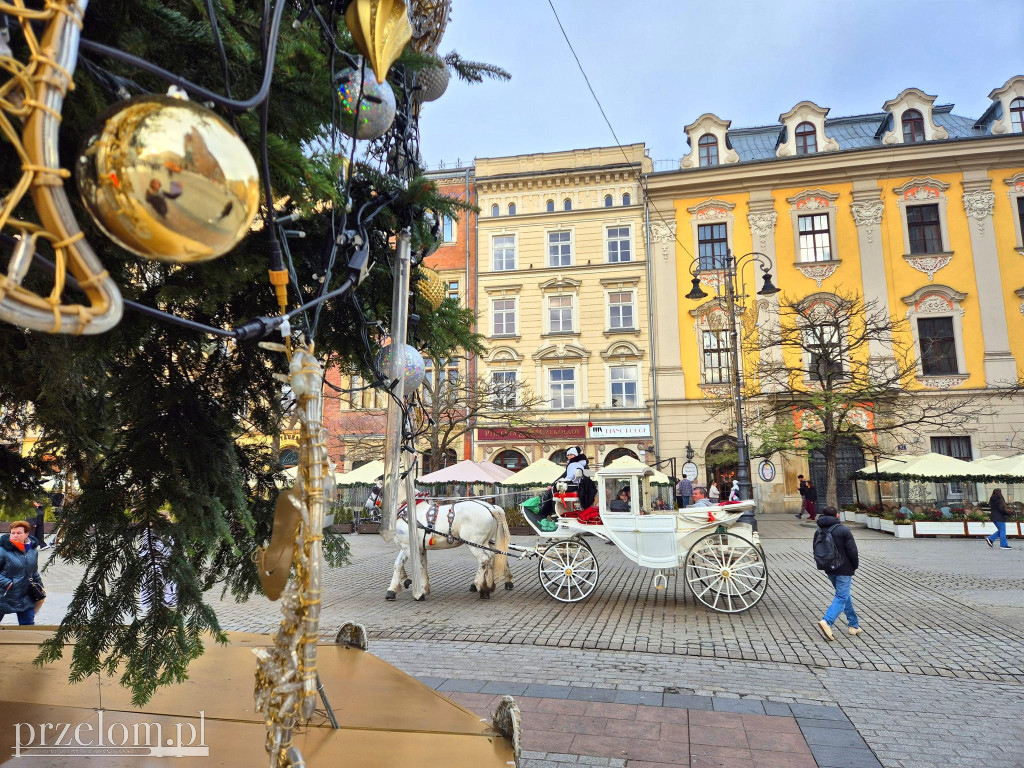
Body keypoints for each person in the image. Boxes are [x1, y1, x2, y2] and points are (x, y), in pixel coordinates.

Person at [813, 506, 861, 641]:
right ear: (837, 516)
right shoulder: (843, 530)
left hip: (829, 568)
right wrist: (854, 566)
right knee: (841, 596)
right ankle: (827, 621)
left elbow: (815, 550)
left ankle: (854, 625)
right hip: (844, 569)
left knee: (844, 595)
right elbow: (852, 551)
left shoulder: (818, 531)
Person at [0, 520, 42, 625]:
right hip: (4, 595)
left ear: (26, 534)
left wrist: (40, 586)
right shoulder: (2, 550)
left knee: (28, 626)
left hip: (26, 597)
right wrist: (7, 583)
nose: (15, 535)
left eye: (18, 533)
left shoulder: (33, 551)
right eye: (12, 533)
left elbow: (34, 572)